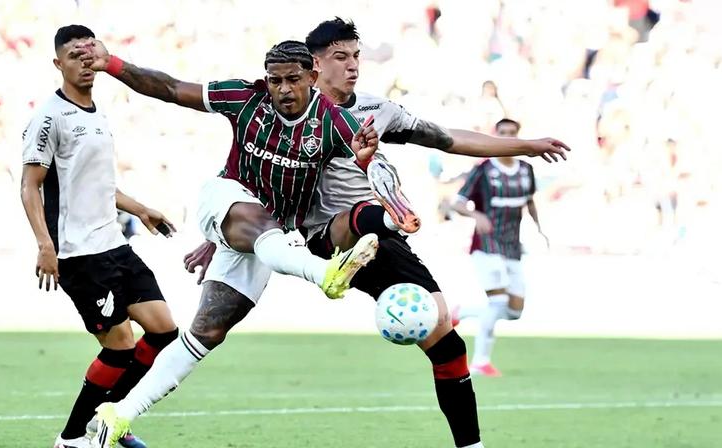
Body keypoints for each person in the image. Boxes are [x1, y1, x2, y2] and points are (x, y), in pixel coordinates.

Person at [184, 18, 571, 448]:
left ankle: (470, 444)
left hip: (380, 239)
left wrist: (526, 146)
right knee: (365, 224)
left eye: (356, 56)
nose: (353, 66)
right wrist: (217, 235)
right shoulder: (284, 111)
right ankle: (379, 228)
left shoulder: (375, 110)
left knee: (445, 340)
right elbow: (246, 179)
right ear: (315, 65)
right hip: (328, 233)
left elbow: (445, 138)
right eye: (340, 57)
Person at [71, 39, 382, 447]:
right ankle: (324, 273)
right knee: (262, 224)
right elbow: (170, 88)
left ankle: (118, 415)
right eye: (275, 80)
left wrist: (366, 162)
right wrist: (112, 63)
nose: (283, 89)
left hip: (267, 239)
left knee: (207, 333)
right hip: (225, 198)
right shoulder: (246, 98)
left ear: (312, 76)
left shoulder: (334, 123)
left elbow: (373, 169)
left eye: (292, 79)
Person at [20, 25, 180, 448]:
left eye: (90, 53)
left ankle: (108, 416)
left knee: (164, 331)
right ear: (58, 64)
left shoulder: (97, 113)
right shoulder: (49, 117)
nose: (85, 62)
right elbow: (30, 185)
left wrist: (140, 208)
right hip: (79, 253)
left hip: (114, 244)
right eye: (75, 55)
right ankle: (71, 437)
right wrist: (45, 244)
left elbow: (99, 185)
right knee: (120, 347)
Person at [450, 118, 546, 377]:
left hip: (513, 247)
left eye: (512, 133)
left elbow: (530, 201)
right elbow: (457, 203)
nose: (507, 137)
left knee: (514, 311)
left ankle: (461, 312)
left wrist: (539, 228)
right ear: (495, 135)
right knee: (497, 302)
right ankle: (480, 362)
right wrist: (476, 215)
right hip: (486, 245)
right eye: (502, 133)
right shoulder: (483, 169)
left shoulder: (525, 169)